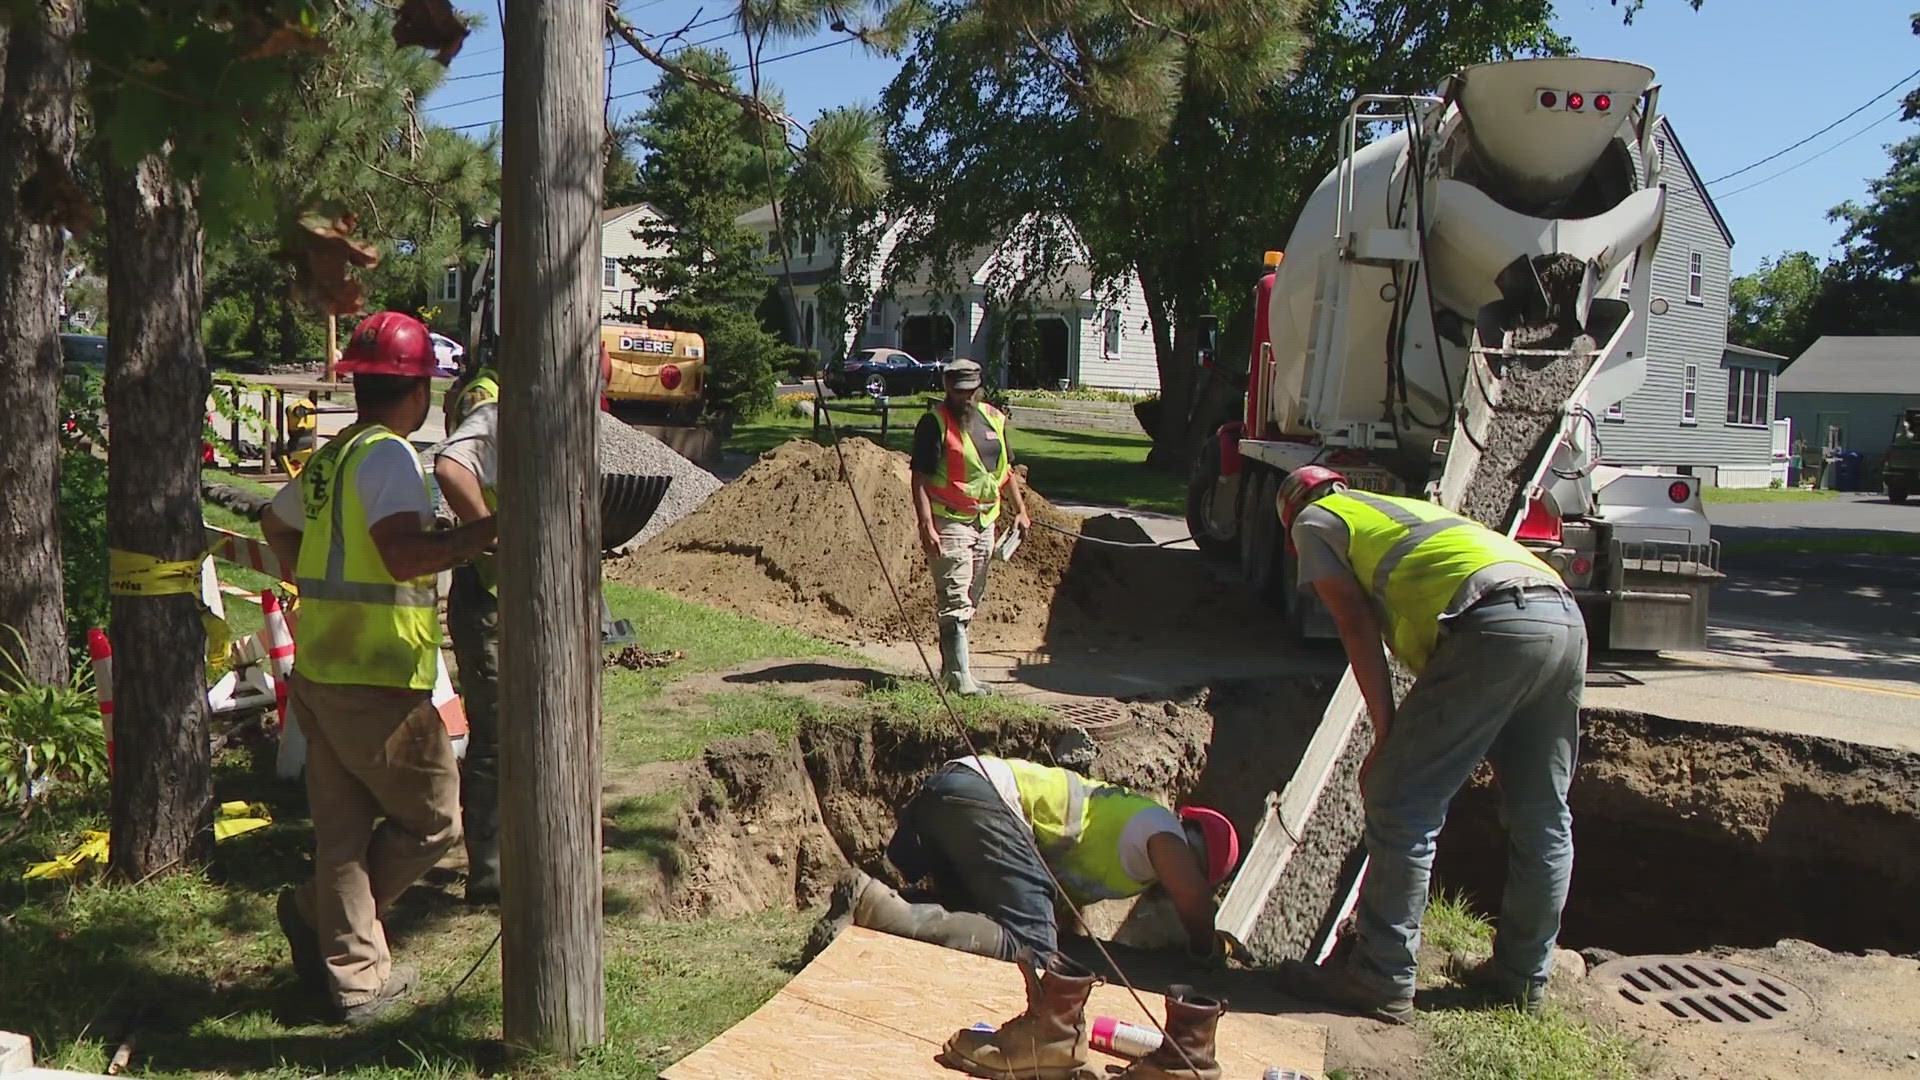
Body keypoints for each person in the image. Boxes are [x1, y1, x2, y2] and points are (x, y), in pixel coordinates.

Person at [1272, 466, 1586, 1024]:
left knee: (1400, 798)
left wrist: (1386, 735)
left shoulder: (1315, 521)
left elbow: (1353, 623)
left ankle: (1380, 976)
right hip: (1562, 618)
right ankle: (1521, 978)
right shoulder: (1393, 512)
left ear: (1291, 509)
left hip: (1495, 627)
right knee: (1543, 814)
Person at [260, 310, 498, 1026]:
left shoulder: (336, 454)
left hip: (323, 668)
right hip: (379, 675)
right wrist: (487, 536)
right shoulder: (391, 456)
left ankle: (356, 980)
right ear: (419, 388)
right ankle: (314, 915)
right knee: (430, 823)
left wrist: (315, 582)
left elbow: (275, 525)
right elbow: (402, 556)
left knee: (339, 836)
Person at [811, 756, 1239, 1080]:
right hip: (985, 799)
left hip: (960, 792)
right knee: (1034, 951)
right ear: (1194, 843)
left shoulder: (1135, 848)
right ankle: (881, 911)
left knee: (986, 923)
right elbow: (1193, 897)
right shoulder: (1160, 827)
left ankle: (882, 907)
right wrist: (1206, 949)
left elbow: (1044, 897)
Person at [910, 358, 1031, 696]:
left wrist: (1020, 511)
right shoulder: (934, 424)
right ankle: (960, 677)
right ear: (947, 388)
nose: (961, 397)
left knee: (971, 595)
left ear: (978, 388)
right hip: (949, 521)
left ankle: (954, 671)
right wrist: (926, 526)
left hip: (985, 521)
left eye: (967, 391)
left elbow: (1005, 472)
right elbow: (919, 477)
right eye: (955, 391)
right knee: (954, 596)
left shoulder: (994, 419)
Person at [431, 385, 502, 904]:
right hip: (491, 596)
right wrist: (491, 534)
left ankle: (525, 855)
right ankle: (492, 874)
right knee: (497, 740)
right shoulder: (495, 404)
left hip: (519, 600)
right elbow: (452, 467)